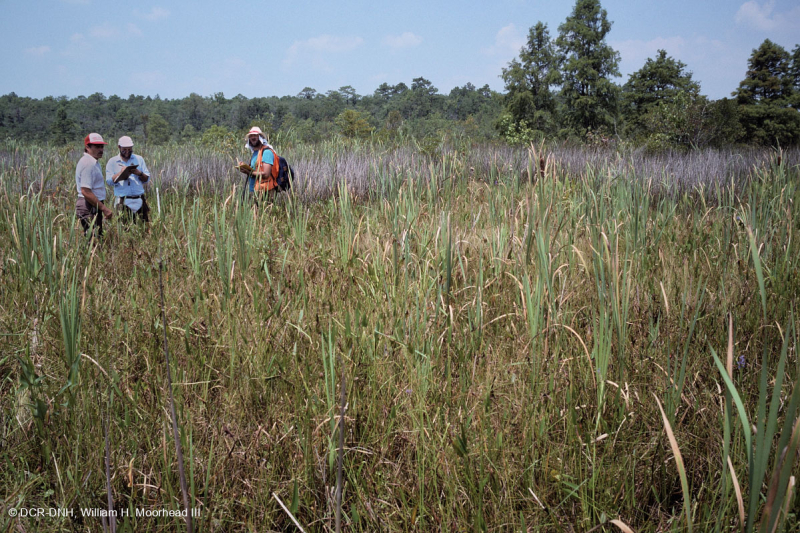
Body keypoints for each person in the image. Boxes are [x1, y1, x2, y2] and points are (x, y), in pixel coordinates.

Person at [106, 135, 151, 223]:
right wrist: (121, 173)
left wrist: (139, 173)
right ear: (119, 147)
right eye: (124, 150)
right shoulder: (112, 161)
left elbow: (146, 179)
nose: (127, 152)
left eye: (129, 149)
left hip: (139, 199)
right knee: (124, 228)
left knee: (144, 227)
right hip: (123, 200)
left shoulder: (139, 159)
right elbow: (109, 181)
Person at [76, 132, 113, 237]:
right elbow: (86, 191)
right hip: (88, 205)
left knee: (96, 238)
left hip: (92, 205)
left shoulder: (93, 162)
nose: (101, 150)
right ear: (87, 147)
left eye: (101, 146)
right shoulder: (88, 164)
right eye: (97, 147)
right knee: (93, 240)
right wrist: (104, 209)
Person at [237, 126, 276, 197]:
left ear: (260, 138)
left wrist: (248, 172)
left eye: (255, 135)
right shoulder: (255, 153)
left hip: (265, 192)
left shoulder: (267, 152)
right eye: (251, 136)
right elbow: (255, 170)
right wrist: (244, 168)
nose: (252, 138)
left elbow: (266, 174)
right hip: (255, 190)